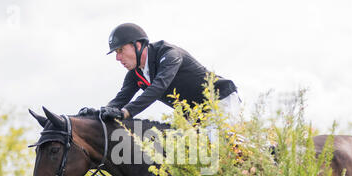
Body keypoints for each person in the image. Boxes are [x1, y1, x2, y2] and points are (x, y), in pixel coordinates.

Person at [80, 23, 241, 123]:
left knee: (216, 152)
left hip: (220, 100)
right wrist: (96, 115)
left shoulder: (169, 54)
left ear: (137, 45)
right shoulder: (135, 74)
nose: (118, 58)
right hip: (194, 113)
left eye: (121, 50)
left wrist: (125, 113)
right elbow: (120, 100)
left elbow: (158, 87)